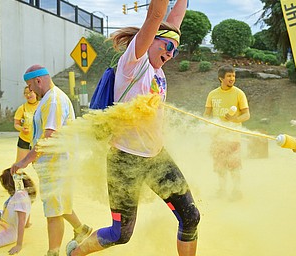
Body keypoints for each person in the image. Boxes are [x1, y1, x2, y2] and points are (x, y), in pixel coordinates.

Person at [66, 0, 200, 256]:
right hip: (125, 161)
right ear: (149, 39)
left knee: (191, 217)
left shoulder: (158, 70)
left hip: (156, 157)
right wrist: (158, 17)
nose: (171, 53)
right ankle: (75, 253)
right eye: (168, 46)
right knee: (121, 234)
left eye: (176, 50)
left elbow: (175, 18)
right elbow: (157, 14)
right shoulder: (134, 64)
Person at [10, 65, 92, 256]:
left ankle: (52, 252)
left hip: (57, 164)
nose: (30, 90)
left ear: (38, 81)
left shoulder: (53, 101)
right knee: (59, 204)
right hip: (54, 164)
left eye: (30, 86)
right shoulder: (50, 98)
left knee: (53, 212)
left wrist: (23, 161)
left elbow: (48, 137)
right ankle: (81, 229)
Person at [204, 64, 250, 201]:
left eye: (233, 76)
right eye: (229, 76)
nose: (232, 78)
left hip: (233, 138)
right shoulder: (212, 94)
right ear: (221, 78)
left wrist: (235, 119)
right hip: (217, 138)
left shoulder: (239, 93)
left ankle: (236, 191)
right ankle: (222, 189)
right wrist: (208, 126)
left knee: (234, 166)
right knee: (220, 166)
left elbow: (247, 115)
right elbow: (206, 114)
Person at [0, 168, 36, 254]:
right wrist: (27, 224)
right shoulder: (24, 192)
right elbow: (26, 211)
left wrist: (19, 245)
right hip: (3, 223)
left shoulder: (19, 197)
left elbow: (21, 219)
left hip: (6, 232)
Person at [14, 86, 39, 162]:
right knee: (19, 165)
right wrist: (22, 129)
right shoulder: (22, 108)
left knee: (40, 166)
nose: (28, 95)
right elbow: (16, 124)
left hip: (38, 141)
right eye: (26, 93)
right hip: (24, 140)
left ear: (36, 93)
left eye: (30, 92)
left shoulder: (43, 106)